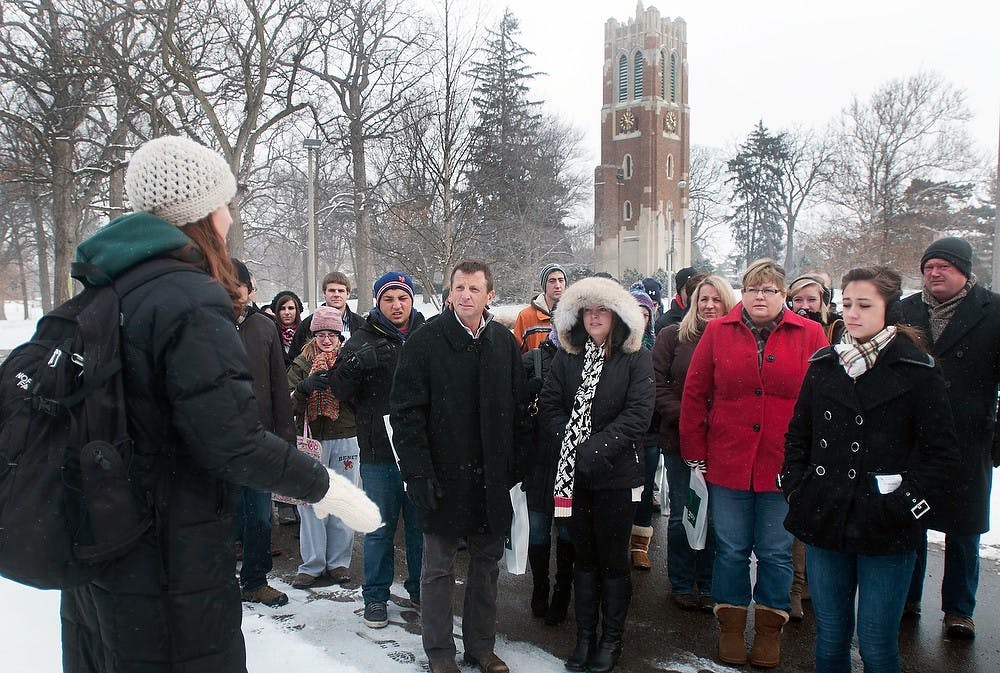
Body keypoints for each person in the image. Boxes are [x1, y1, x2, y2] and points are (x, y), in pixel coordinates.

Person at [62, 135, 377, 673]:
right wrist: (329, 490)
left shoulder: (100, 292)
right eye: (224, 204)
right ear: (201, 213)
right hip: (170, 565)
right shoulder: (186, 298)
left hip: (101, 554)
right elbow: (230, 438)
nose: (230, 218)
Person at [781, 266, 959, 673]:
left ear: (888, 310)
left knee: (877, 643)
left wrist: (905, 502)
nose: (853, 314)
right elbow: (798, 436)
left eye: (864, 305)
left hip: (886, 522)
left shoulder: (918, 371)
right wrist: (796, 487)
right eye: (846, 304)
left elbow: (941, 454)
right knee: (830, 637)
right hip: (827, 516)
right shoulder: (826, 364)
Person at [679, 258, 828, 668]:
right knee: (730, 550)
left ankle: (767, 630)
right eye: (752, 289)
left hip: (784, 464)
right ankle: (729, 628)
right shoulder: (717, 331)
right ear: (742, 293)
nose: (759, 297)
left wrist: (815, 458)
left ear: (784, 296)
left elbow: (824, 398)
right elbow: (694, 394)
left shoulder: (811, 333)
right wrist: (695, 450)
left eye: (769, 290)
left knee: (777, 552)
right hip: (727, 460)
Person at [390, 260, 530, 673]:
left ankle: (480, 648)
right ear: (449, 293)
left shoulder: (503, 343)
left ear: (490, 295)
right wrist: (417, 472)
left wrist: (515, 468)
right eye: (459, 288)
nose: (465, 296)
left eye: (474, 289)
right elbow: (406, 413)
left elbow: (520, 411)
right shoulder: (426, 341)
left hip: (491, 478)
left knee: (486, 566)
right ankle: (439, 653)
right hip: (442, 476)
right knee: (437, 569)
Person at [538, 276, 654, 673]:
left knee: (612, 561)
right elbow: (550, 405)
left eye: (601, 309)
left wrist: (594, 449)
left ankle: (611, 639)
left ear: (617, 314)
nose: (594, 317)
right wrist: (568, 446)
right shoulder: (567, 356)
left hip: (616, 476)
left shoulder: (634, 357)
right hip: (575, 477)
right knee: (582, 559)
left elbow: (638, 414)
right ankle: (585, 636)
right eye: (587, 310)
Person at [895, 236, 1000, 638]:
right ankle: (907, 599)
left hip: (967, 440)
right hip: (911, 439)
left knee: (963, 530)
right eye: (929, 267)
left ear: (965, 272)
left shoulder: (992, 311)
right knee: (910, 521)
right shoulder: (905, 310)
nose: (935, 274)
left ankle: (959, 609)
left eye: (945, 267)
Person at [327, 272, 426, 629]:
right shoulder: (361, 339)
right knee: (379, 528)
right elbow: (338, 392)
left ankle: (420, 590)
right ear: (377, 302)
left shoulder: (425, 335)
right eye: (389, 299)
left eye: (402, 298)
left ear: (412, 300)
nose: (396, 305)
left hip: (419, 451)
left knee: (420, 527)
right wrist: (353, 367)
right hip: (379, 452)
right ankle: (376, 597)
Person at [652, 274, 735, 611]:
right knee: (684, 515)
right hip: (680, 441)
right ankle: (682, 582)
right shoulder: (673, 336)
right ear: (693, 302)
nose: (709, 305)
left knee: (717, 518)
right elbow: (656, 383)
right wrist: (690, 417)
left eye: (716, 299)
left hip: (724, 443)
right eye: (703, 299)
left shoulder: (736, 339)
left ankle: (711, 583)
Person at [232, 259, 296, 608]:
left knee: (258, 515)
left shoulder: (264, 327)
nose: (231, 294)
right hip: (218, 442)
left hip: (259, 441)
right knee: (222, 516)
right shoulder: (203, 324)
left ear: (250, 290)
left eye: (237, 287)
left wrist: (285, 439)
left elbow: (278, 383)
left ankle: (255, 580)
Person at [287, 306, 362, 589]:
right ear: (313, 334)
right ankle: (312, 564)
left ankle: (339, 563)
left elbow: (362, 399)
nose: (327, 339)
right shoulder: (301, 364)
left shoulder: (349, 359)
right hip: (311, 440)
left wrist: (343, 385)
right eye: (321, 333)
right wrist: (304, 389)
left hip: (344, 435)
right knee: (311, 503)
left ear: (340, 334)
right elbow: (286, 403)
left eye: (332, 333)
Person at [784, 273, 845, 620]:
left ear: (825, 300)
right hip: (797, 431)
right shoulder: (790, 331)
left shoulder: (839, 331)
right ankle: (796, 587)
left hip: (831, 434)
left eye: (812, 299)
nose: (805, 306)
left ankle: (816, 586)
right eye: (798, 300)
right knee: (797, 512)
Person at [523, 330, 574, 625]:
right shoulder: (534, 359)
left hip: (571, 462)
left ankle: (562, 591)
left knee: (567, 532)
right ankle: (540, 586)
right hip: (539, 461)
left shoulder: (588, 360)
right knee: (539, 530)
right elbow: (514, 405)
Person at [627, 290, 659, 571]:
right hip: (623, 433)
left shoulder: (656, 346)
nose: (640, 318)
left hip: (649, 432)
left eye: (645, 313)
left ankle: (640, 544)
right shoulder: (619, 347)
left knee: (645, 489)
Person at [288, 271, 364, 361]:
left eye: (341, 291)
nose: (336, 294)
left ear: (348, 293)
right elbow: (293, 359)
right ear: (324, 293)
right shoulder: (308, 324)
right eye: (332, 290)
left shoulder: (361, 324)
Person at [513, 263, 566, 353]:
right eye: (552, 281)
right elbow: (516, 354)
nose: (557, 285)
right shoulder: (526, 316)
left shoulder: (576, 314)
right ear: (544, 285)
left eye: (561, 280)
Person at [655, 266, 698, 332]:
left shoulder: (708, 317)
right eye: (688, 288)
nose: (693, 292)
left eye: (696, 288)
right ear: (679, 292)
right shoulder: (663, 324)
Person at [271, 290, 304, 365]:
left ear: (297, 311)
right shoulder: (271, 333)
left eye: (291, 308)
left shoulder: (306, 333)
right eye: (282, 308)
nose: (287, 313)